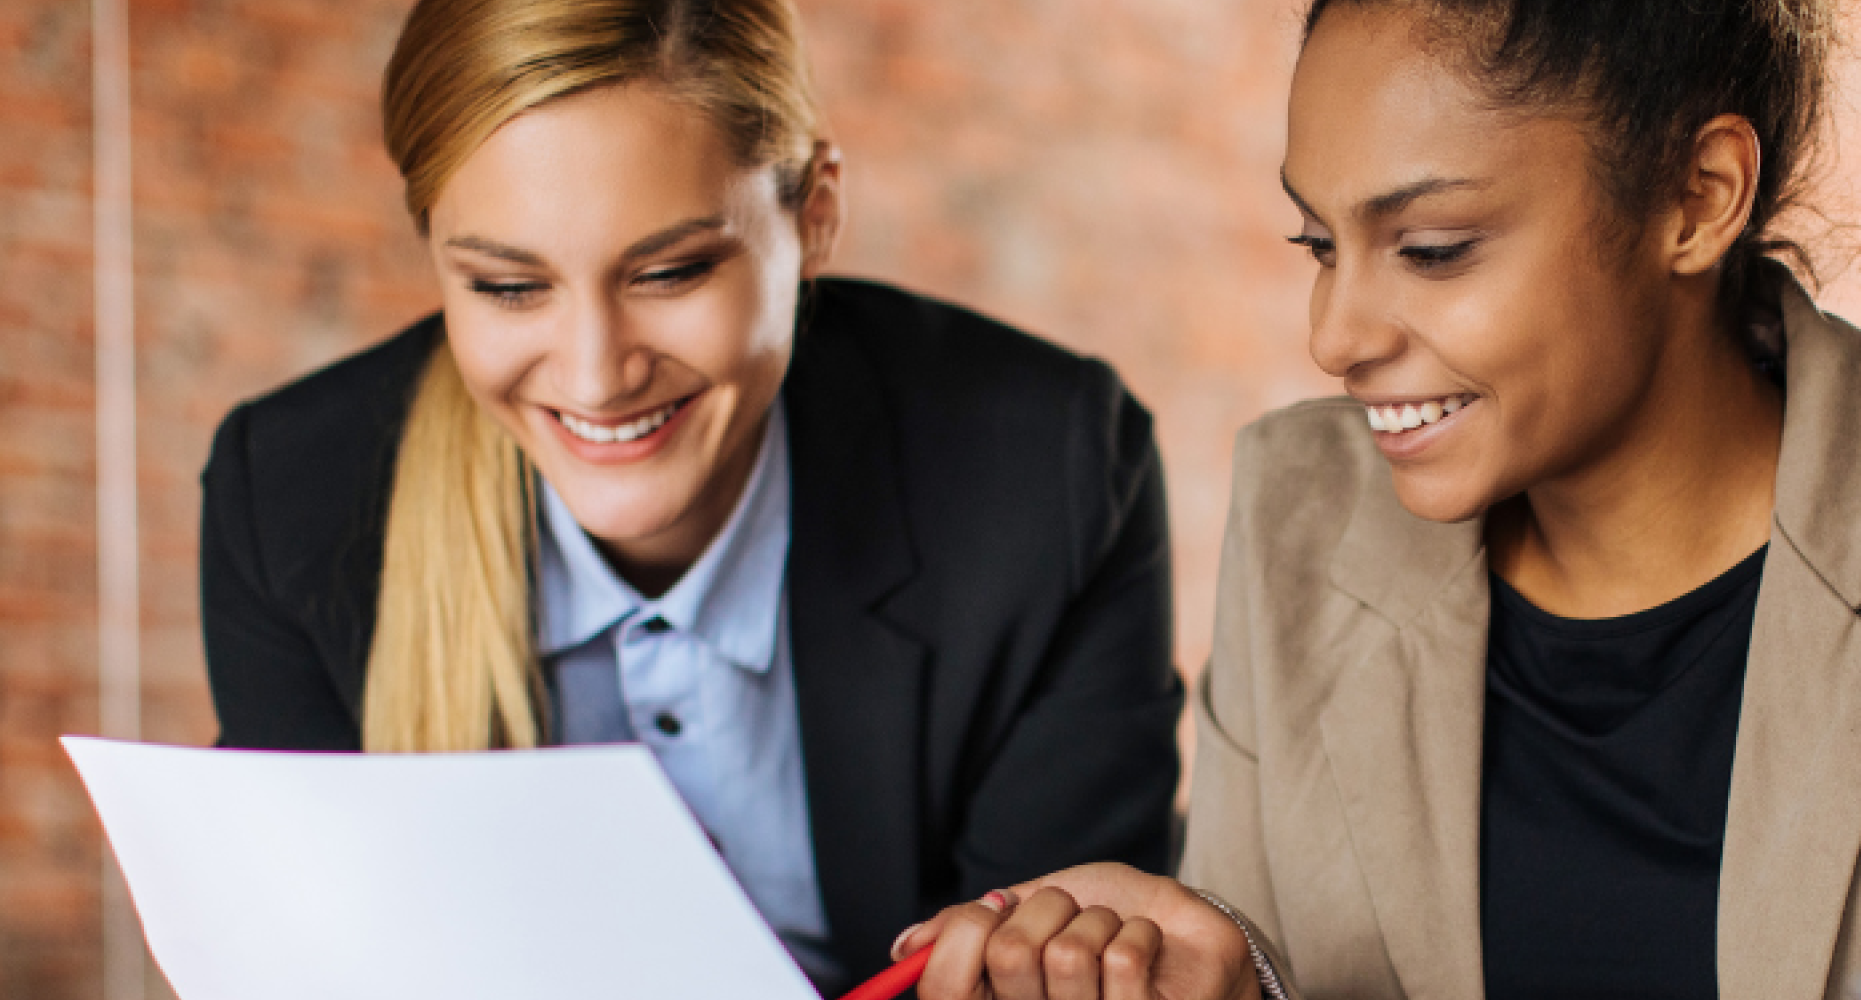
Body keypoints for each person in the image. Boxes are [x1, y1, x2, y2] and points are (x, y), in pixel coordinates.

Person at [893, 1, 1861, 998]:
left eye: (1431, 248)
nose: (1336, 331)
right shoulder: (1304, 508)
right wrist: (1237, 984)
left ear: (1697, 199)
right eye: (1320, 243)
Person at [194, 0, 1183, 990]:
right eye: (505, 286)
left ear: (815, 214)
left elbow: (1043, 966)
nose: (593, 378)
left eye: (670, 272)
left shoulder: (1047, 477)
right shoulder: (287, 502)